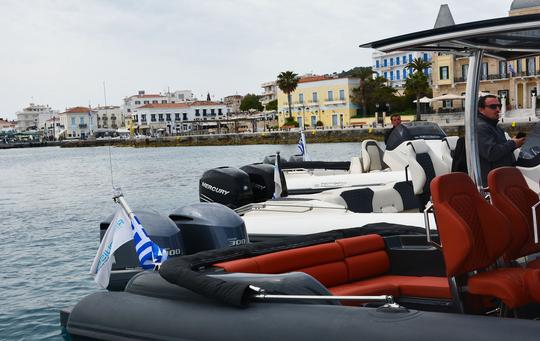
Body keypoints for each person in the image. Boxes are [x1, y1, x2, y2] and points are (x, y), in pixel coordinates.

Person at [477, 95, 525, 186]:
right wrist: (512, 144)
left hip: (502, 177)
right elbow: (491, 153)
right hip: (493, 181)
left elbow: (500, 148)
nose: (498, 109)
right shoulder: (481, 128)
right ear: (481, 110)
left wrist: (513, 143)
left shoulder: (494, 126)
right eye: (493, 107)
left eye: (499, 106)